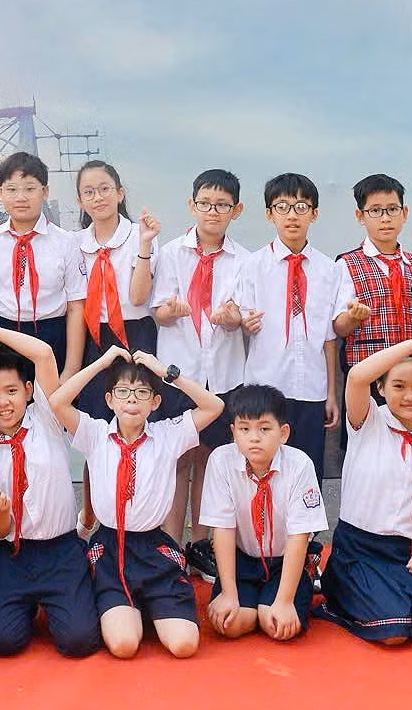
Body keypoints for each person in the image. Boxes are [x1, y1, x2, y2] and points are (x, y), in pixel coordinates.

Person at [50, 344, 223, 658]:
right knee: (124, 645)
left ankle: (150, 604)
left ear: (156, 402)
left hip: (153, 549)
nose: (132, 398)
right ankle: (131, 610)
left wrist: (166, 373)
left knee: (185, 645)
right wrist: (102, 364)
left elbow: (214, 407)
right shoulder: (95, 434)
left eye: (142, 392)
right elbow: (58, 402)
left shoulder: (167, 435)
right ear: (110, 400)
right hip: (112, 547)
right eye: (123, 391)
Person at [0, 323, 101, 659]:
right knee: (0, 642)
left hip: (60, 550)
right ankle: (30, 604)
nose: (3, 403)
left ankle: (61, 599)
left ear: (28, 389)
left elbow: (45, 354)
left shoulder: (47, 418)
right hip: (13, 554)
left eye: (11, 391)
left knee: (80, 641)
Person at [148, 168, 250, 580]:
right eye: (205, 203)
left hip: (223, 376)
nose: (213, 211)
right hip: (178, 373)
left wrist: (231, 318)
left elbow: (242, 316)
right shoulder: (170, 253)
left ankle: (201, 546)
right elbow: (157, 308)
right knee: (176, 458)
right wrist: (170, 311)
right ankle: (170, 546)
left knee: (210, 459)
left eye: (222, 205)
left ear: (236, 210)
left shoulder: (244, 260)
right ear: (192, 205)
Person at [323, 337, 412, 646]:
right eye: (398, 386)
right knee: (394, 631)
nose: (410, 395)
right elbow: (357, 376)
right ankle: (338, 590)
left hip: (406, 553)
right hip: (360, 551)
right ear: (381, 389)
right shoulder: (368, 421)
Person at [234, 172, 370, 477]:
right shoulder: (252, 266)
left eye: (301, 207)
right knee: (263, 468)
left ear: (314, 213)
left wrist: (332, 394)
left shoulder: (330, 270)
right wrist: (244, 322)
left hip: (311, 388)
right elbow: (241, 318)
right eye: (282, 207)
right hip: (266, 384)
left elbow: (331, 335)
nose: (292, 216)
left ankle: (304, 527)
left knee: (308, 469)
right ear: (269, 214)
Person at [198, 383, 326, 643]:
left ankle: (285, 592)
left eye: (264, 429)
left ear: (284, 433)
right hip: (242, 558)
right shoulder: (221, 461)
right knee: (230, 624)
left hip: (284, 561)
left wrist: (285, 601)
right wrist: (229, 593)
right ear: (233, 432)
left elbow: (299, 536)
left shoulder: (300, 464)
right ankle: (251, 602)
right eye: (245, 429)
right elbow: (222, 528)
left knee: (277, 626)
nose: (254, 437)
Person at [0, 152, 85, 381]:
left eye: (29, 189)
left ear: (45, 192)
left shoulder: (66, 242)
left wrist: (71, 369)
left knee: (50, 411)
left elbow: (76, 307)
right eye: (11, 189)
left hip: (50, 335)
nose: (21, 197)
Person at [74, 160, 160, 389]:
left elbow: (139, 297)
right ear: (80, 202)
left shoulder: (139, 235)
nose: (98, 197)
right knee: (95, 408)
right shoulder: (75, 243)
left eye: (105, 189)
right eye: (89, 192)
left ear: (120, 194)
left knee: (136, 406)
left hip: (136, 332)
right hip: (93, 335)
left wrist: (144, 245)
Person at [338, 175, 412, 375]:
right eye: (375, 211)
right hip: (367, 372)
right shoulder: (347, 264)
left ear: (405, 213)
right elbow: (339, 327)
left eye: (393, 209)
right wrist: (353, 317)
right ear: (360, 216)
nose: (385, 218)